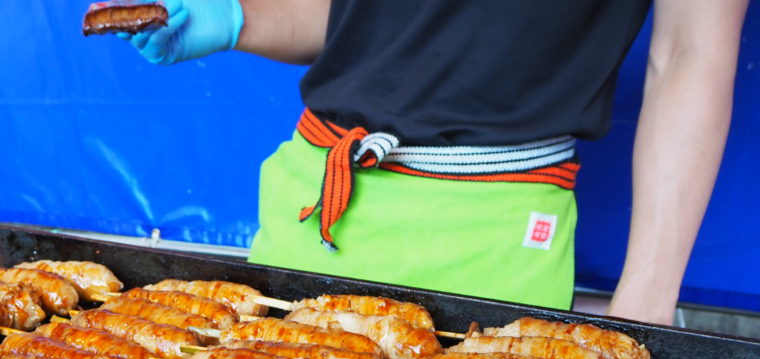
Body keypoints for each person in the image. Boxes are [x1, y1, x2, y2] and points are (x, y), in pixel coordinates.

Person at [123, 0, 750, 325]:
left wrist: (645, 299)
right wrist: (236, 18)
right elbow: (353, 16)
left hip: (491, 234)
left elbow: (690, 53)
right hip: (316, 207)